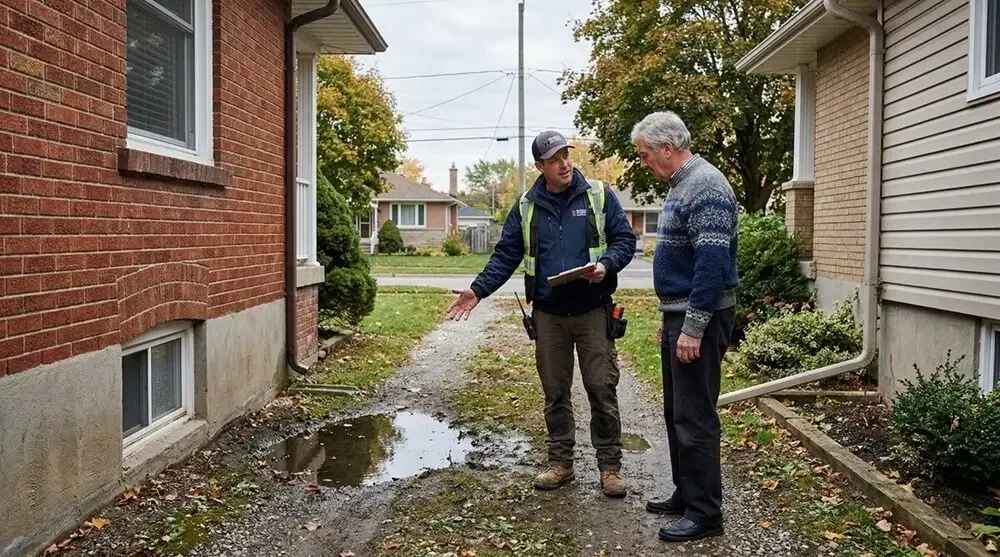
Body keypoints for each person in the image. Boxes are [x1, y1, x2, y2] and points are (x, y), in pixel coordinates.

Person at [446, 131, 637, 498]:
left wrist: (606, 265)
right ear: (540, 166)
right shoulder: (526, 206)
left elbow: (625, 240)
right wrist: (478, 290)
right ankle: (561, 463)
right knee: (555, 392)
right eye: (554, 160)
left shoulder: (598, 195)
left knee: (601, 388)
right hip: (549, 315)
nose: (564, 164)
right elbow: (506, 255)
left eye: (566, 155)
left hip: (593, 309)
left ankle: (610, 467)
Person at [631, 111, 739, 542]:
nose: (642, 162)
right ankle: (687, 493)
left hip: (702, 318)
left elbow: (711, 265)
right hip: (682, 314)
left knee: (695, 416)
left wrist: (692, 327)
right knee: (677, 411)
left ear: (667, 149)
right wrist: (670, 318)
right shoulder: (682, 185)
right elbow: (684, 261)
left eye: (644, 154)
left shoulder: (706, 186)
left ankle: (705, 513)